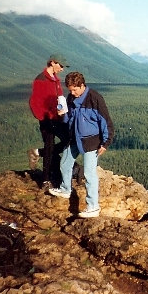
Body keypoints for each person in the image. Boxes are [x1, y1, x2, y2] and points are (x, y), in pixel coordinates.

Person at [49, 71, 114, 218]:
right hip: (74, 138)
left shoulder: (95, 98)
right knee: (65, 164)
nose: (72, 93)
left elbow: (106, 122)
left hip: (91, 141)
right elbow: (68, 119)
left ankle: (93, 207)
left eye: (75, 89)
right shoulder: (71, 98)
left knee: (89, 174)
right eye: (70, 90)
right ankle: (65, 189)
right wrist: (62, 115)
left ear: (82, 85)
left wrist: (105, 143)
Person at [28, 54, 70, 189]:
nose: (62, 69)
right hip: (46, 119)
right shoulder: (41, 79)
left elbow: (58, 99)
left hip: (57, 118)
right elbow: (34, 102)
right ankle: (45, 180)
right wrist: (43, 117)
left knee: (68, 140)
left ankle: (38, 152)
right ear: (52, 62)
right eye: (61, 65)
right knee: (50, 145)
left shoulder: (55, 80)